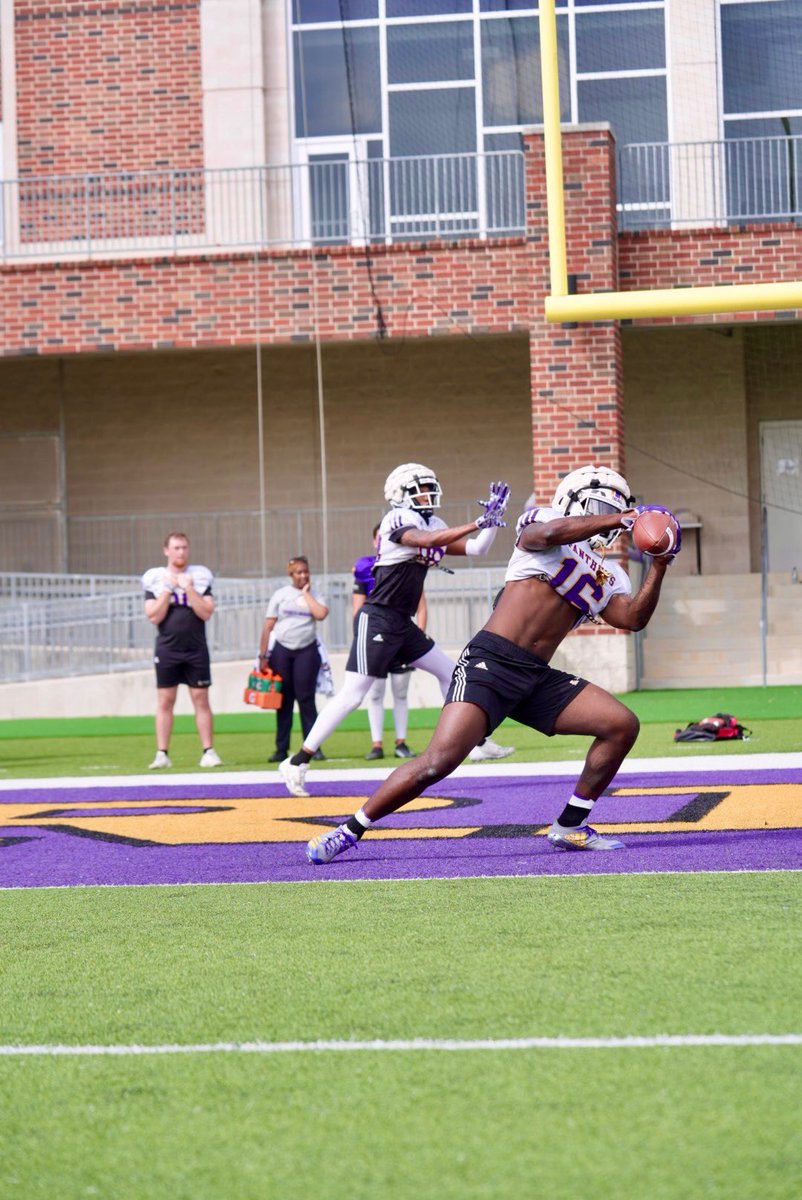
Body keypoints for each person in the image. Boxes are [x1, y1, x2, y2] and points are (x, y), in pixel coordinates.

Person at [305, 465, 681, 864]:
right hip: (492, 660)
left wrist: (659, 564)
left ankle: (570, 826)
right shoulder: (545, 519)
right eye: (607, 503)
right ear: (577, 497)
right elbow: (545, 536)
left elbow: (633, 619)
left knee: (621, 725)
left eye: (622, 509)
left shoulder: (613, 574)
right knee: (438, 763)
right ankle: (348, 831)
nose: (617, 515)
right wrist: (620, 519)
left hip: (536, 675)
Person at [279, 463, 513, 798]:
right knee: (353, 696)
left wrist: (491, 522)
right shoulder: (398, 520)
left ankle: (475, 742)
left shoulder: (434, 522)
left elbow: (478, 549)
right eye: (420, 489)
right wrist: (477, 521)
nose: (428, 495)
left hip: (402, 624)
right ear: (400, 494)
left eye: (430, 487)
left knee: (453, 673)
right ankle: (298, 761)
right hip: (378, 618)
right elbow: (427, 540)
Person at [142, 531, 221, 770]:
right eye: (176, 548)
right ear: (166, 550)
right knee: (166, 699)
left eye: (184, 547)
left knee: (201, 698)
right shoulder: (156, 579)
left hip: (196, 647)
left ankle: (208, 750)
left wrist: (188, 589)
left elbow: (206, 612)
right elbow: (153, 615)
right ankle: (162, 753)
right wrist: (168, 589)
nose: (181, 552)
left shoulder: (199, 577)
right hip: (167, 648)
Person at [353, 525, 422, 761]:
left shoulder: (405, 562)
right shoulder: (365, 567)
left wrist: (420, 635)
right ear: (375, 541)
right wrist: (361, 637)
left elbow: (421, 604)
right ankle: (377, 743)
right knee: (374, 693)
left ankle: (401, 742)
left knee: (400, 692)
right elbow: (357, 606)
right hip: (377, 633)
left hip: (401, 633)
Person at [259, 556, 330, 764]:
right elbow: (268, 626)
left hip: (306, 651)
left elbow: (321, 614)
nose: (303, 575)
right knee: (284, 701)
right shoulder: (281, 595)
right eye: (298, 572)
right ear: (291, 574)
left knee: (306, 700)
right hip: (282, 651)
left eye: (305, 572)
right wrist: (263, 656)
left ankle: (313, 747)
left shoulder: (315, 594)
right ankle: (281, 748)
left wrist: (306, 594)